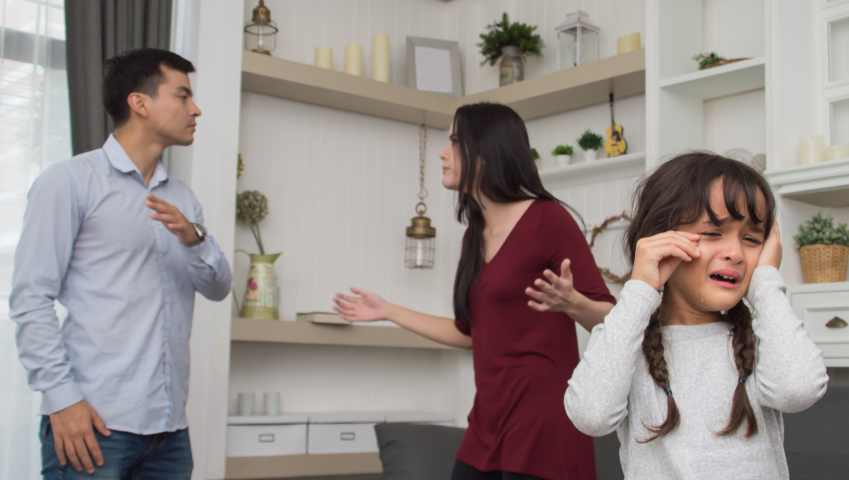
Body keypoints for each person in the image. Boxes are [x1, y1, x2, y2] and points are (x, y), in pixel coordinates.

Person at [333, 103, 616, 480]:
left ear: (485, 150)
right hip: (489, 416)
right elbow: (471, 333)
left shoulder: (548, 219)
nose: (442, 152)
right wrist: (388, 310)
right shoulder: (473, 236)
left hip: (541, 417)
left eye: (454, 140)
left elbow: (612, 317)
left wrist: (573, 303)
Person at [9, 48, 232, 480]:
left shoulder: (182, 199)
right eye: (183, 96)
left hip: (169, 433)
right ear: (140, 103)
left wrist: (194, 237)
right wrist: (61, 400)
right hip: (92, 426)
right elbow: (30, 298)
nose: (196, 109)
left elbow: (219, 287)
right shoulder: (70, 181)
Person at [564, 152, 828, 479]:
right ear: (661, 240)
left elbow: (798, 390)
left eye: (751, 239)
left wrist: (766, 283)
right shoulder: (626, 340)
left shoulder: (763, 337)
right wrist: (640, 288)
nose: (735, 253)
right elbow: (591, 415)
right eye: (713, 233)